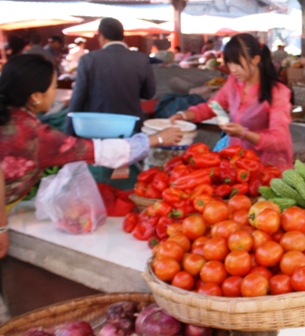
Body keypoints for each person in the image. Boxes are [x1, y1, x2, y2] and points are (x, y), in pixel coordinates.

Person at [0, 54, 181, 234]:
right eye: (54, 87)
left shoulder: (12, 119)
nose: (55, 93)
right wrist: (157, 139)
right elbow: (99, 152)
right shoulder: (35, 136)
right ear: (35, 97)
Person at [170, 33, 293, 170]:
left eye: (237, 63)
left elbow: (280, 140)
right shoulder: (233, 83)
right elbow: (214, 106)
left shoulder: (278, 92)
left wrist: (244, 134)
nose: (233, 69)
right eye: (229, 63)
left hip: (269, 167)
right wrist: (184, 115)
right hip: (239, 163)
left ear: (256, 59)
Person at [66, 18, 155, 135]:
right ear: (123, 36)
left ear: (101, 36)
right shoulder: (141, 59)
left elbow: (78, 98)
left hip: (96, 128)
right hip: (130, 127)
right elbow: (149, 93)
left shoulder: (88, 59)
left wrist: (69, 132)